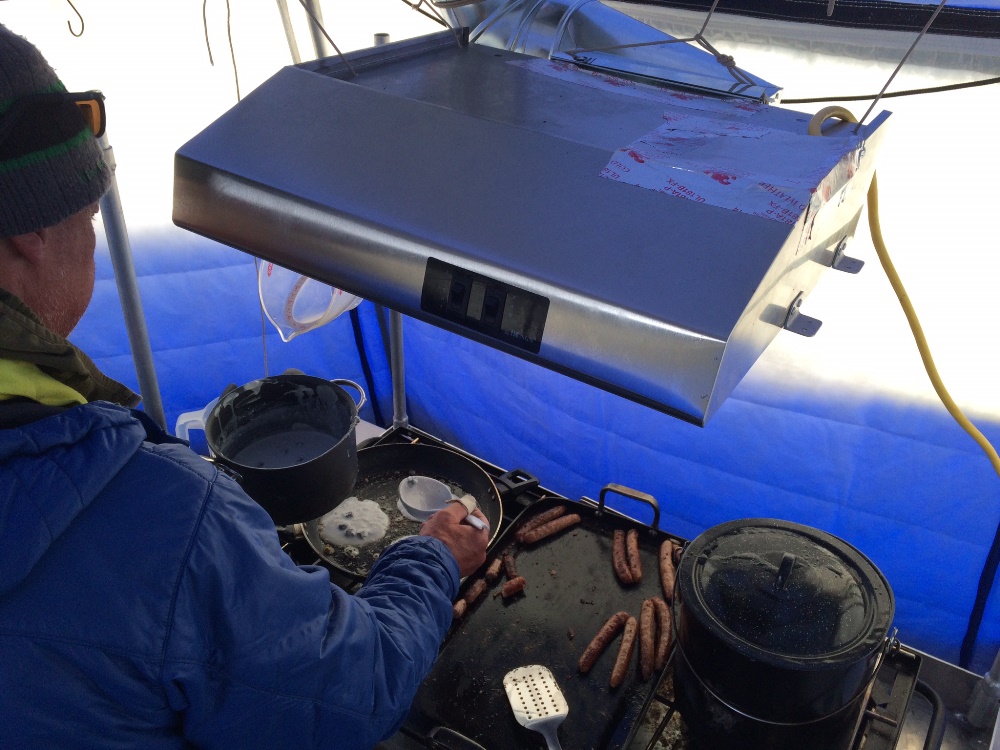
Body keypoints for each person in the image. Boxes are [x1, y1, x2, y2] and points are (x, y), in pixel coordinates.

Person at [0, 23, 488, 749]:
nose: (95, 235)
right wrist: (432, 557)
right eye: (89, 209)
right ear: (27, 234)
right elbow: (353, 691)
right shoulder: (157, 516)